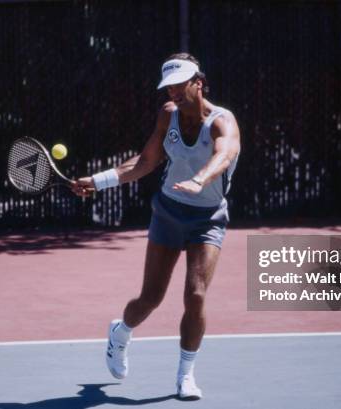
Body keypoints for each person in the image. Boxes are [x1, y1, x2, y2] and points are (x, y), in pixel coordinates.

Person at [71, 52, 240, 400]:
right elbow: (145, 161)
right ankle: (121, 332)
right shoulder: (168, 116)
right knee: (151, 298)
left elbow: (225, 155)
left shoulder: (223, 121)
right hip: (168, 213)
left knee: (195, 294)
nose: (174, 92)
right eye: (169, 87)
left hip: (207, 219)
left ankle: (185, 375)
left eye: (181, 85)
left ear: (199, 82)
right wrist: (97, 181)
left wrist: (201, 178)